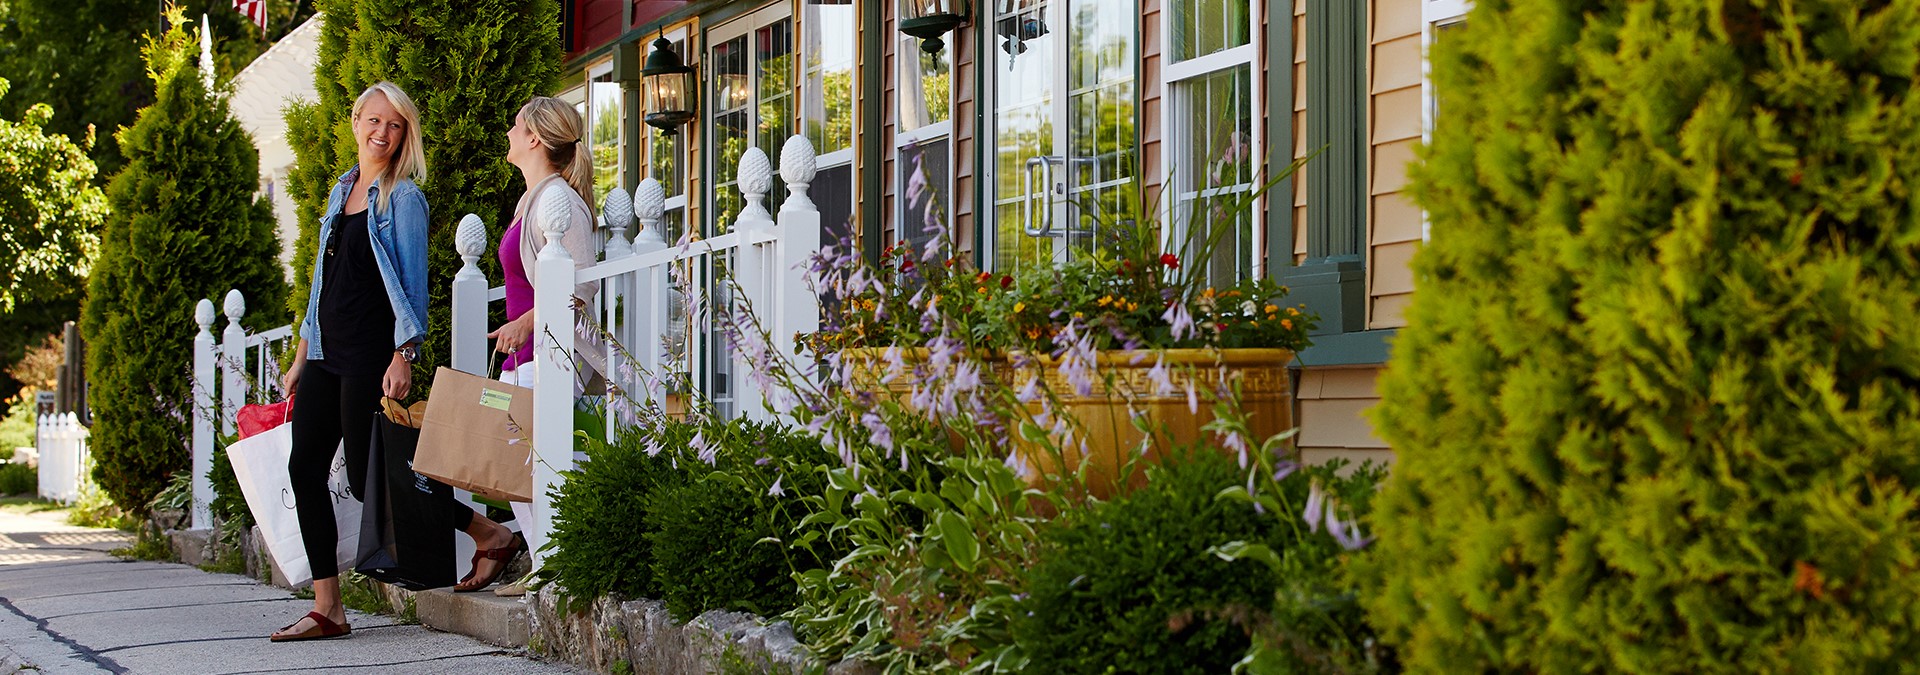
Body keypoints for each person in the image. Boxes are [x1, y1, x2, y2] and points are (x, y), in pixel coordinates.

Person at [272, 82, 516, 641]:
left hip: (368, 358)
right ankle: (328, 607)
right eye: (374, 121)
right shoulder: (340, 192)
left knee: (368, 478)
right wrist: (302, 353)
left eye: (395, 125)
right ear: (356, 121)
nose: (382, 133)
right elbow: (321, 283)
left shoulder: (402, 198)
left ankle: (487, 532)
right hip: (326, 357)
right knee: (303, 470)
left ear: (406, 134)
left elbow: (411, 286)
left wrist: (404, 354)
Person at [480, 96, 604, 595]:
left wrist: (525, 325)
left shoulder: (561, 203)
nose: (509, 133)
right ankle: (545, 563)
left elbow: (580, 287)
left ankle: (556, 564)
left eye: (515, 126)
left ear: (534, 138)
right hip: (525, 355)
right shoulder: (532, 198)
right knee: (519, 463)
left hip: (552, 353)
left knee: (538, 462)